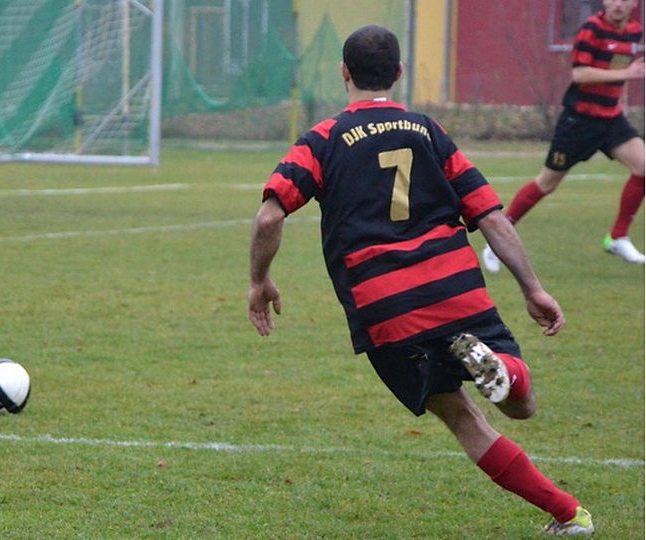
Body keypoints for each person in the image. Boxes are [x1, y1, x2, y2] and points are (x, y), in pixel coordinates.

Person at [248, 25, 593, 536]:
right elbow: (492, 217)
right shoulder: (428, 131)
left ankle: (568, 513)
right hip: (456, 291)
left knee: (461, 418)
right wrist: (533, 289)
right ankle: (506, 371)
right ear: (400, 73)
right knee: (522, 406)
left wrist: (260, 281)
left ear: (344, 73)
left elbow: (269, 218)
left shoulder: (321, 140)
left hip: (385, 309)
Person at [482, 0, 645, 271]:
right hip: (579, 121)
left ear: (634, 4)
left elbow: (616, 74)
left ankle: (617, 237)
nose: (618, 4)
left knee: (644, 168)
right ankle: (497, 240)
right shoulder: (591, 29)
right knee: (547, 183)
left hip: (611, 120)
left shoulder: (633, 31)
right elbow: (580, 74)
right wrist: (625, 73)